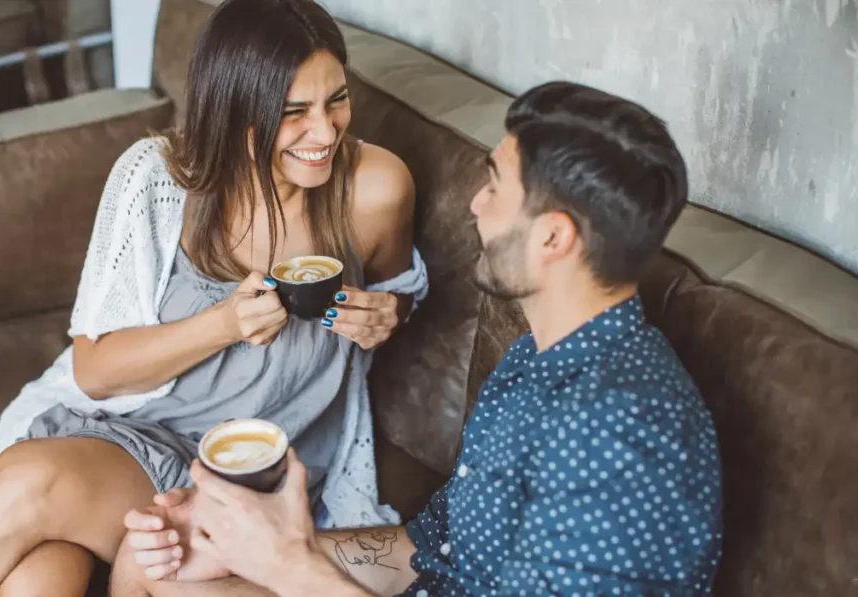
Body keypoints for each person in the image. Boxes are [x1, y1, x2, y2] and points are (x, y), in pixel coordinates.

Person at [112, 81, 724, 596]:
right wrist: (263, 540)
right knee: (156, 561)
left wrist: (287, 566)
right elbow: (430, 549)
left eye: (496, 188)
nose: (476, 206)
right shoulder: (538, 358)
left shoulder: (622, 433)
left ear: (553, 239)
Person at [0, 0, 428, 595]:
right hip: (140, 439)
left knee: (37, 574)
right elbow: (95, 371)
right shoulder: (157, 180)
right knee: (32, 526)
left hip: (250, 472)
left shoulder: (377, 188)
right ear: (235, 114)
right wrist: (225, 323)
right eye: (294, 112)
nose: (325, 131)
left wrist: (387, 315)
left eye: (337, 99)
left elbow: (395, 297)